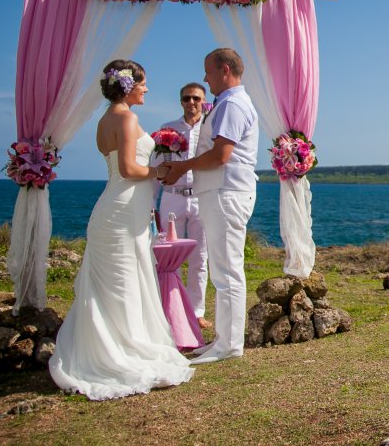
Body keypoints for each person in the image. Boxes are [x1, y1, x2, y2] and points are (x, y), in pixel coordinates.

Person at [49, 59, 193, 400]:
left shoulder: (104, 120)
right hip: (122, 212)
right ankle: (122, 353)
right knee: (123, 283)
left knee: (118, 284)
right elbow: (129, 169)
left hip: (118, 209)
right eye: (142, 84)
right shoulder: (127, 118)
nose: (146, 89)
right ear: (128, 87)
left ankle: (113, 346)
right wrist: (159, 172)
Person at [162, 48, 258, 365]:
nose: (205, 78)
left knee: (227, 271)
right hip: (221, 192)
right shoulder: (227, 103)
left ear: (225, 70)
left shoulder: (231, 104)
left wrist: (183, 166)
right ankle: (223, 339)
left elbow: (221, 155)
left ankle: (229, 345)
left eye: (208, 71)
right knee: (221, 269)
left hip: (225, 193)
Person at [151, 82, 212, 331]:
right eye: (187, 98)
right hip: (172, 197)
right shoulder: (168, 130)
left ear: (204, 101)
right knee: (167, 257)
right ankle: (167, 310)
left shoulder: (211, 129)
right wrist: (151, 203)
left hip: (201, 198)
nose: (191, 103)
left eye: (196, 98)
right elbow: (156, 166)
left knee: (200, 258)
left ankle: (197, 312)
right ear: (181, 102)